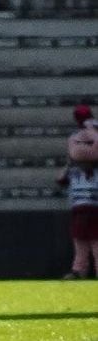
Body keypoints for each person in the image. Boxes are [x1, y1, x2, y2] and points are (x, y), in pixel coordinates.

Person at [58, 103, 98, 278]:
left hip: (95, 210)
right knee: (80, 243)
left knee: (96, 243)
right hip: (79, 212)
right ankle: (78, 269)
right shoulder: (74, 172)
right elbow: (60, 180)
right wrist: (68, 163)